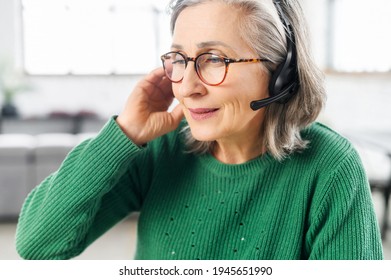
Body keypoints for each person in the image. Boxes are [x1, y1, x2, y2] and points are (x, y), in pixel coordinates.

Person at [16, 0, 383, 260]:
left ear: (279, 74)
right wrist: (124, 133)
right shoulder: (161, 148)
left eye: (214, 60)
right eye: (179, 59)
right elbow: (37, 244)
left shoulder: (330, 168)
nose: (187, 86)